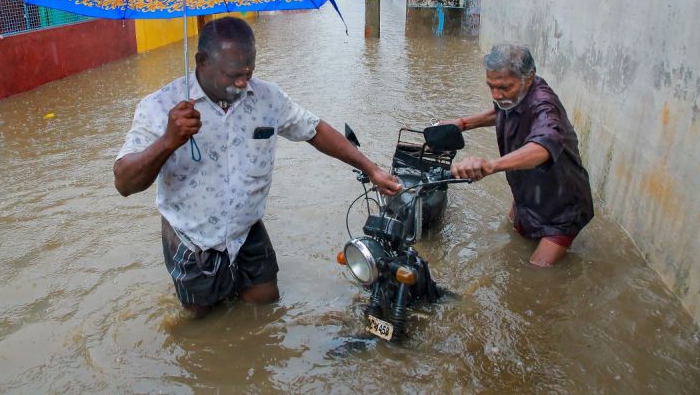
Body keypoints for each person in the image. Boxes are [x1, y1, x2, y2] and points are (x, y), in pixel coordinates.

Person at [114, 17, 401, 317]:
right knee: (202, 322)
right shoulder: (159, 107)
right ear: (202, 62)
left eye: (248, 73)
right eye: (233, 75)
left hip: (246, 230)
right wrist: (168, 141)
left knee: (266, 306)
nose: (242, 83)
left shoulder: (268, 98)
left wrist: (371, 169)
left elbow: (315, 130)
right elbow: (124, 183)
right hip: (192, 238)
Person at [441, 44, 593, 267]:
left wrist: (490, 166)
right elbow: (500, 110)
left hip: (561, 204)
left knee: (537, 270)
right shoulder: (514, 94)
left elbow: (543, 145)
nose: (496, 95)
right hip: (527, 190)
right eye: (491, 87)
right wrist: (463, 123)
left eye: (503, 88)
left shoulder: (544, 106)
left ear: (528, 78)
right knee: (511, 235)